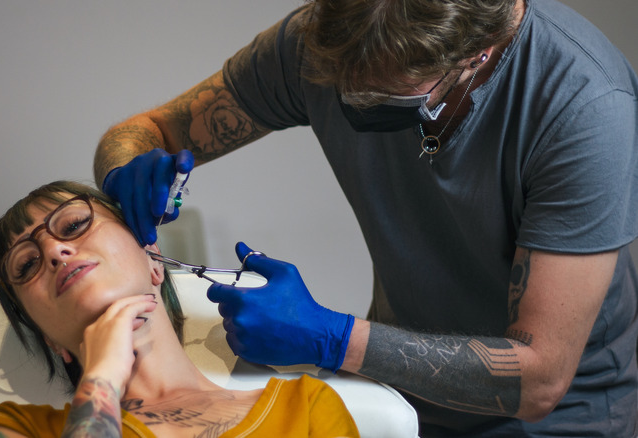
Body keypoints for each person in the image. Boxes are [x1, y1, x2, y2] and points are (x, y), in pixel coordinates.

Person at [93, 0, 638, 436]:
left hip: (559, 415)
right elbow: (147, 131)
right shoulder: (320, 41)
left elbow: (539, 380)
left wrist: (332, 339)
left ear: (474, 55)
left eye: (380, 98)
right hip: (395, 392)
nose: (350, 100)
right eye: (340, 85)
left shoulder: (586, 108)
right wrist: (126, 166)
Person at [0, 181, 359, 437]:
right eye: (27, 264)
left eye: (72, 226)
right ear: (49, 340)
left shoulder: (306, 408)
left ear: (153, 257)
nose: (54, 251)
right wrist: (102, 376)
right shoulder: (12, 429)